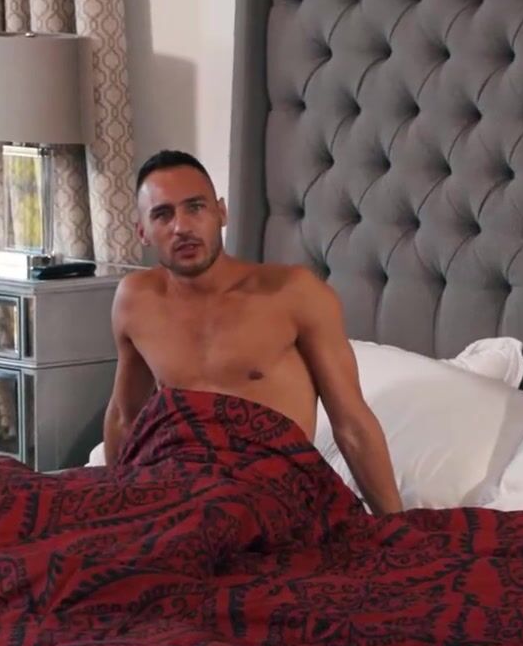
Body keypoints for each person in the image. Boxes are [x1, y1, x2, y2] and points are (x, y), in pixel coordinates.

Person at [101, 149, 404, 515]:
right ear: (142, 232)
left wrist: (395, 525)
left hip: (270, 496)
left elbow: (351, 423)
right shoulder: (135, 300)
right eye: (162, 214)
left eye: (195, 207)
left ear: (221, 212)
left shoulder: (294, 293)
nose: (181, 227)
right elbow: (124, 417)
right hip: (173, 488)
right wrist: (114, 510)